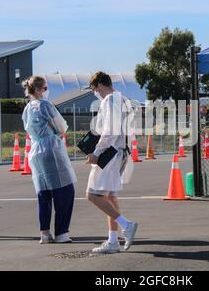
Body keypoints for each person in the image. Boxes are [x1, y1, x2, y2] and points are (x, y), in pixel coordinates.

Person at [85, 71, 138, 254]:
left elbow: (109, 131)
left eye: (94, 89)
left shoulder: (110, 100)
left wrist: (96, 152)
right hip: (121, 151)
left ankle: (126, 225)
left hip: (111, 153)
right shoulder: (123, 99)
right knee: (110, 196)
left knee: (93, 195)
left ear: (99, 85)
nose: (95, 93)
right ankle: (113, 241)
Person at [21, 76, 77, 244]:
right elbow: (61, 126)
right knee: (65, 190)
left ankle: (45, 233)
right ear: (38, 90)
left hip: (36, 150)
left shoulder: (28, 108)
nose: (46, 91)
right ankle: (61, 232)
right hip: (51, 148)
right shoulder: (45, 105)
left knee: (43, 192)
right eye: (45, 88)